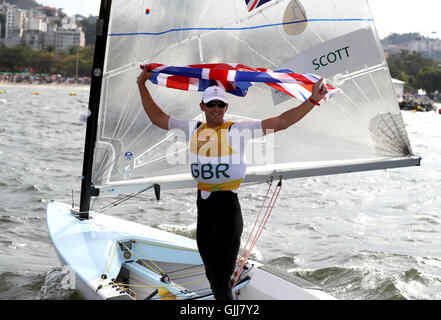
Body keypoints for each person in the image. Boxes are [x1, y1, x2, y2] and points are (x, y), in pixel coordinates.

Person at [137, 68, 328, 300]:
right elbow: (157, 118)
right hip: (204, 208)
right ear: (202, 106)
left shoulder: (238, 130)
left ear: (226, 107)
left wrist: (312, 100)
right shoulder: (192, 129)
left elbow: (281, 122)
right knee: (212, 274)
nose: (216, 109)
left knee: (219, 276)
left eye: (220, 104)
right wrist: (142, 85)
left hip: (227, 208)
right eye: (211, 104)